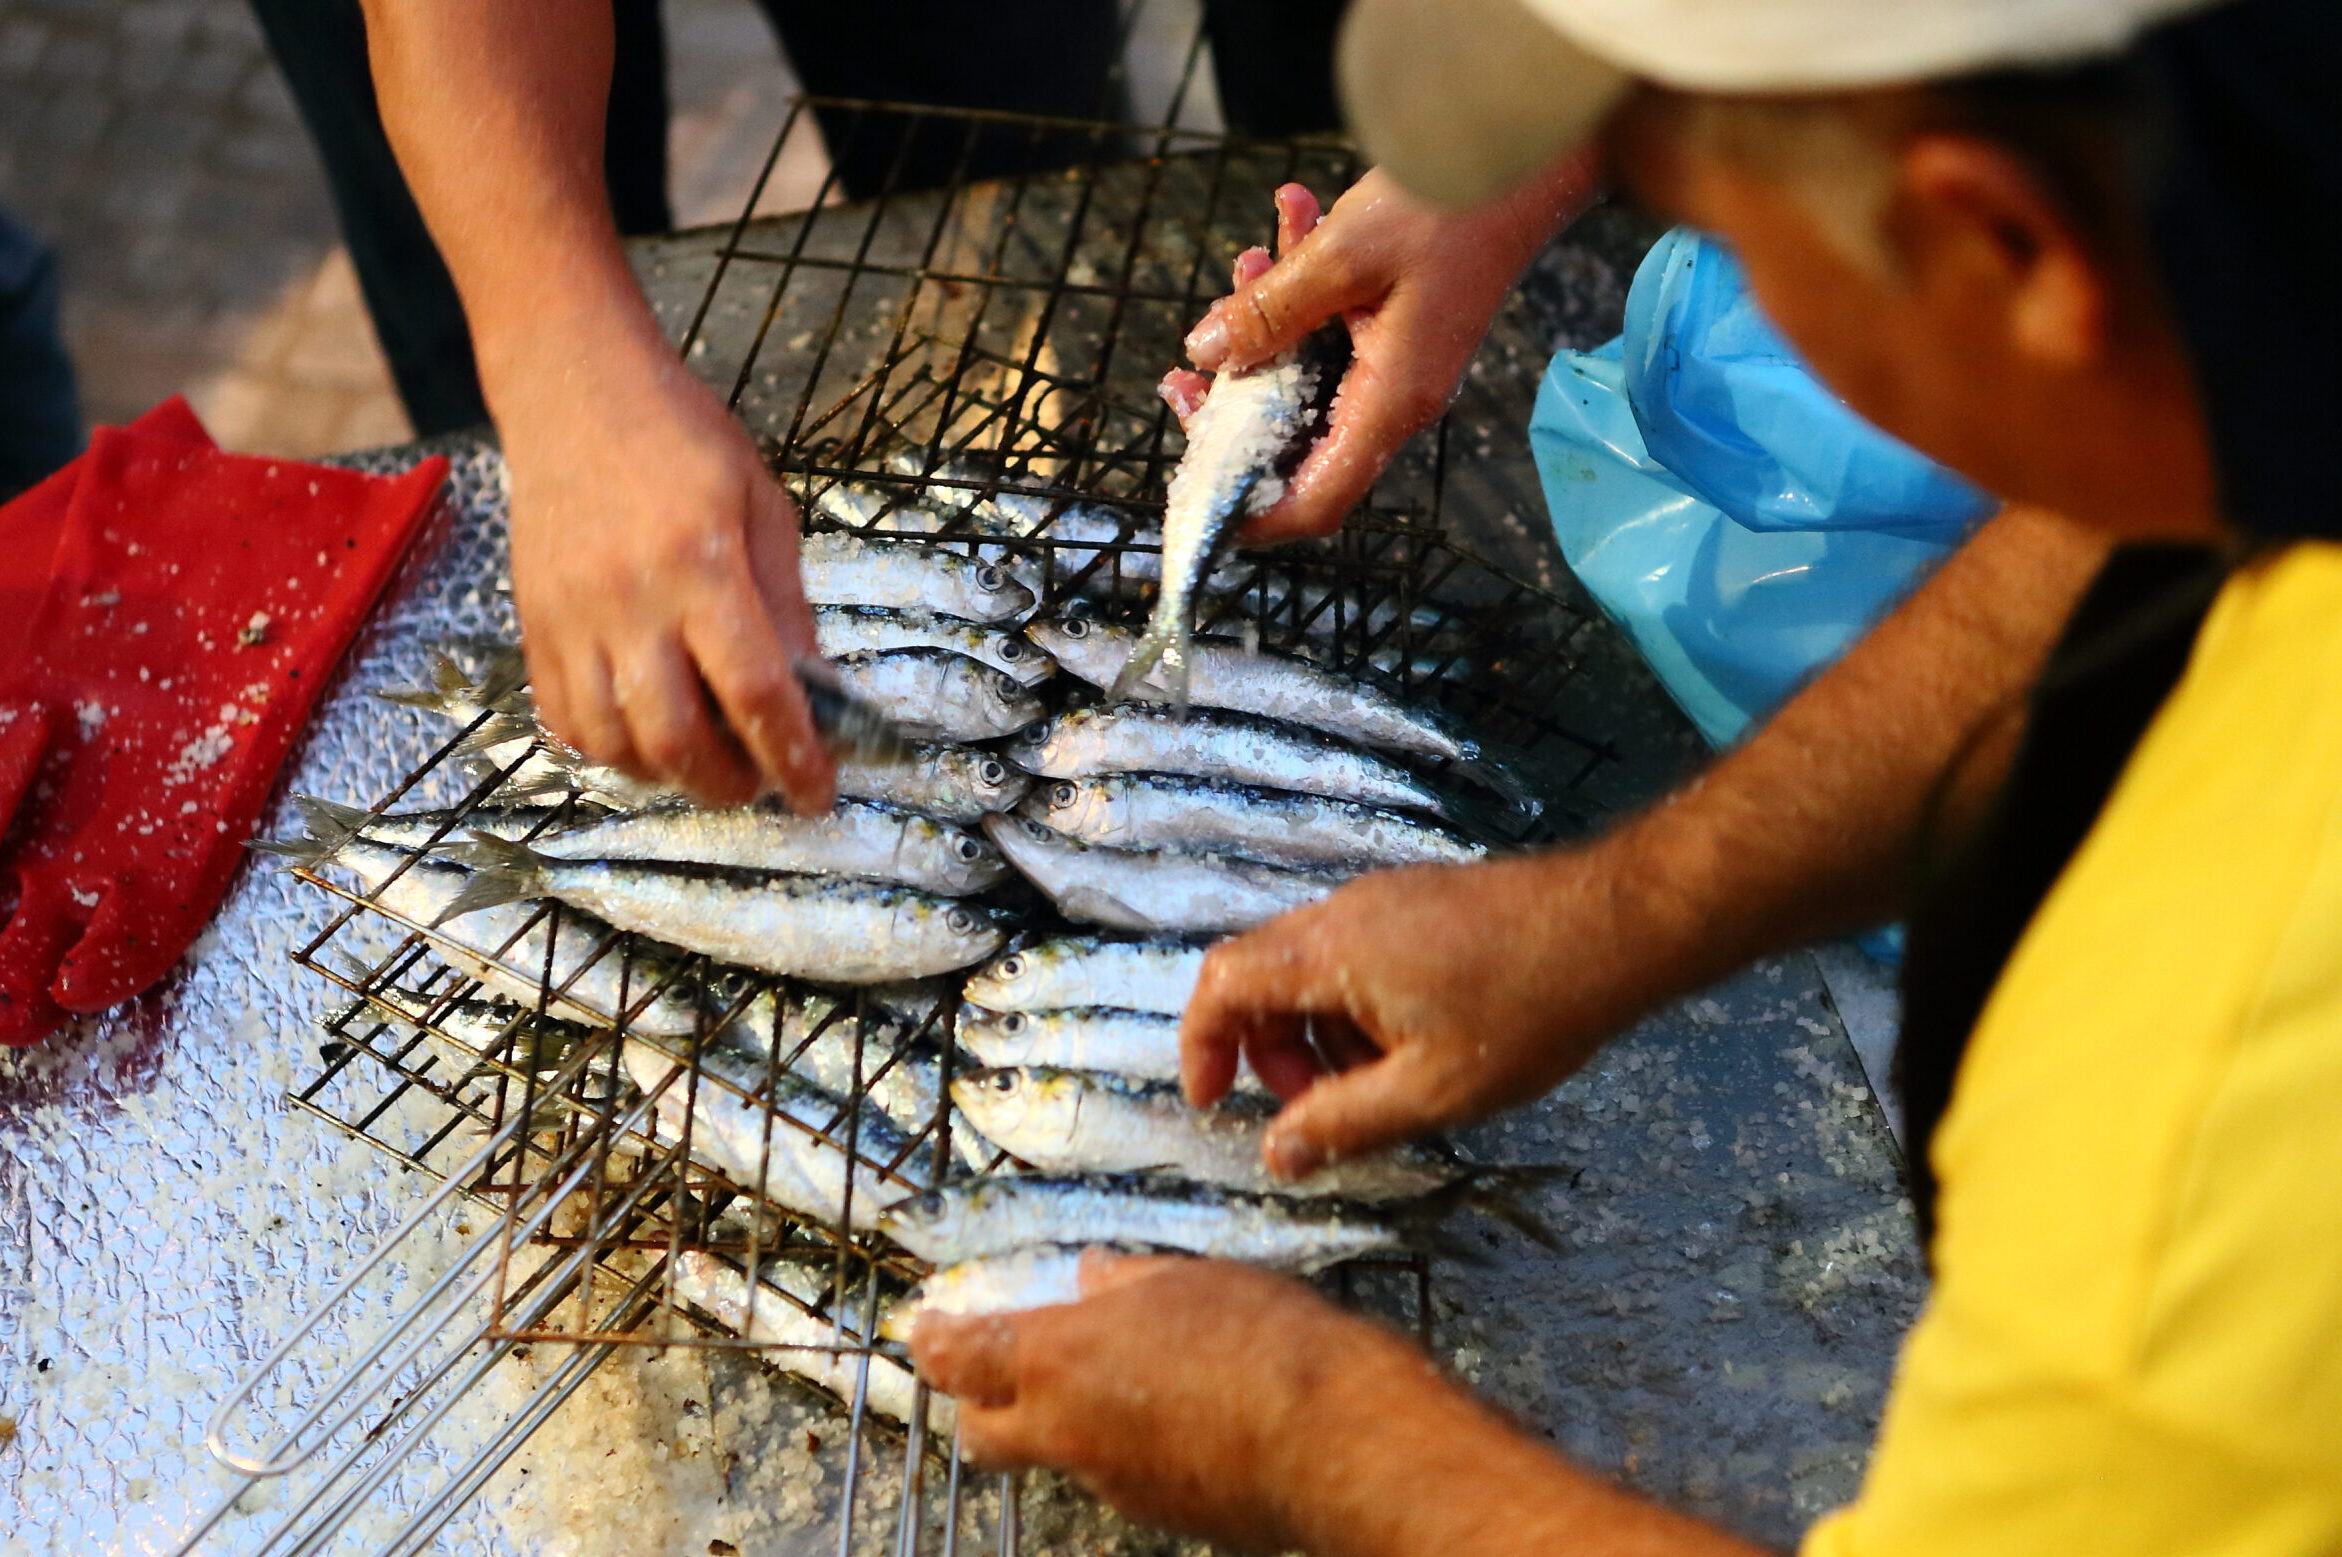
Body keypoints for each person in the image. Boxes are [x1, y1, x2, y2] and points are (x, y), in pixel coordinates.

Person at [907, 1, 2342, 1554]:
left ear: (1997, 240)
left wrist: (1310, 1438)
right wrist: (1612, 918)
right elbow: (2080, 561)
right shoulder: (2250, 381)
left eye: (1713, 225)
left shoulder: (2213, 1124)